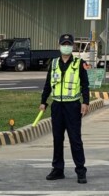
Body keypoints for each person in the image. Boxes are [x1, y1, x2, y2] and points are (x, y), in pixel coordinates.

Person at [39, 33, 90, 184]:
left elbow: (85, 85)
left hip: (73, 106)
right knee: (57, 139)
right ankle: (58, 169)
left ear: (73, 46)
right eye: (64, 44)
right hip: (57, 106)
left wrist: (85, 102)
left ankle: (80, 171)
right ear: (59, 45)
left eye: (69, 44)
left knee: (75, 140)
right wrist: (43, 101)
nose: (66, 47)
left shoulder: (79, 64)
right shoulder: (53, 63)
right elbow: (48, 84)